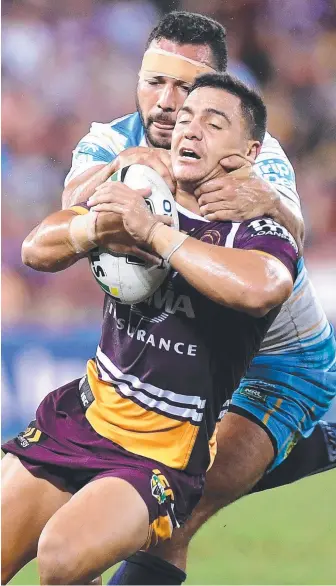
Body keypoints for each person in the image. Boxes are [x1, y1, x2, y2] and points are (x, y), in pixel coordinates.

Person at [2, 74, 301, 585]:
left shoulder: (255, 230)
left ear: (250, 150)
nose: (190, 130)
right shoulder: (138, 192)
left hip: (161, 453)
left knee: (59, 558)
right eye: (186, 118)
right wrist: (95, 226)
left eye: (213, 122)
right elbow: (35, 249)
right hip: (85, 416)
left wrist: (156, 235)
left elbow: (264, 288)